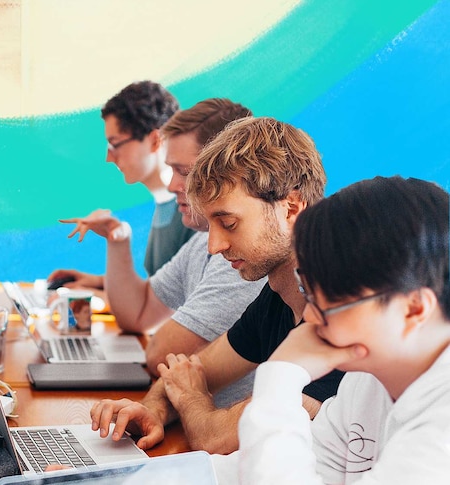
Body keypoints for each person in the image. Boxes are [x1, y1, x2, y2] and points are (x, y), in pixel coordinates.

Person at [90, 117, 344, 454]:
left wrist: (194, 400)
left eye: (228, 223)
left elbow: (217, 437)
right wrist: (152, 410)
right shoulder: (277, 296)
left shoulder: (342, 315)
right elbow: (190, 373)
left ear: (291, 209)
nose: (214, 245)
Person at [214, 176, 450, 484]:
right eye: (307, 293)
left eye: (326, 305)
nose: (310, 318)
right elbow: (280, 468)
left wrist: (280, 378)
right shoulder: (366, 383)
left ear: (414, 308)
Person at [59, 99, 263, 407]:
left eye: (183, 171)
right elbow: (137, 314)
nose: (171, 185)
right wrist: (117, 239)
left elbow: (160, 356)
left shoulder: (240, 257)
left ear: (225, 171)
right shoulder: (200, 241)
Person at [48, 81, 192, 293]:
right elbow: (161, 289)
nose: (108, 158)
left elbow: (174, 306)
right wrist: (101, 283)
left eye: (115, 144)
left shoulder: (190, 213)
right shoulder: (164, 204)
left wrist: (100, 296)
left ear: (154, 140)